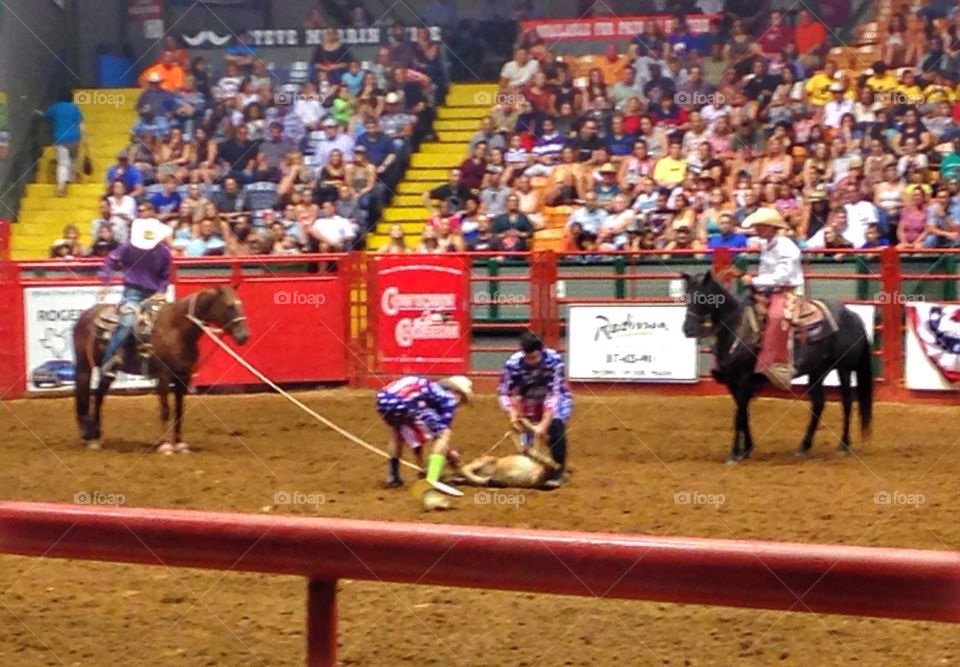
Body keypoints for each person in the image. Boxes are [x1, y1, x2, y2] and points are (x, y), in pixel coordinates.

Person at [98, 213, 173, 378]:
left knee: (169, 326)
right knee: (127, 323)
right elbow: (110, 261)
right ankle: (108, 361)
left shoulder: (164, 253)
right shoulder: (128, 247)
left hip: (153, 295)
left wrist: (161, 292)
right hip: (133, 293)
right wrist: (106, 281)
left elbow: (165, 277)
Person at [740, 208, 805, 390]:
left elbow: (781, 277)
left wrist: (754, 280)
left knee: (777, 316)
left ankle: (776, 365)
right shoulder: (767, 245)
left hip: (788, 291)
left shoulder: (786, 247)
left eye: (759, 226)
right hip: (769, 290)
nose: (756, 229)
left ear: (769, 227)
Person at [498, 332, 572, 489]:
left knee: (555, 425)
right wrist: (512, 414)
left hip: (555, 397)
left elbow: (554, 394)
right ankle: (533, 468)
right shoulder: (513, 364)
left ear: (542, 351)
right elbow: (505, 392)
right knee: (527, 435)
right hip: (528, 398)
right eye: (529, 358)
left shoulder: (554, 361)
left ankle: (559, 471)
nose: (532, 362)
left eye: (535, 358)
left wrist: (544, 424)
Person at [376, 375, 474, 490]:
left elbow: (424, 432)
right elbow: (440, 434)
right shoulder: (447, 398)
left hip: (383, 400)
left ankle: (393, 477)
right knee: (445, 434)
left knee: (398, 432)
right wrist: (450, 455)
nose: (459, 405)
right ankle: (432, 479)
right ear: (457, 392)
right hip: (407, 401)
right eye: (462, 400)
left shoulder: (430, 391)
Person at [41, 92, 84, 197]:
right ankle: (72, 180)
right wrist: (83, 140)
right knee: (73, 160)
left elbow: (46, 115)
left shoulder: (56, 107)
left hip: (61, 139)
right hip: (75, 138)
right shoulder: (75, 108)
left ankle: (61, 185)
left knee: (63, 163)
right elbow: (81, 124)